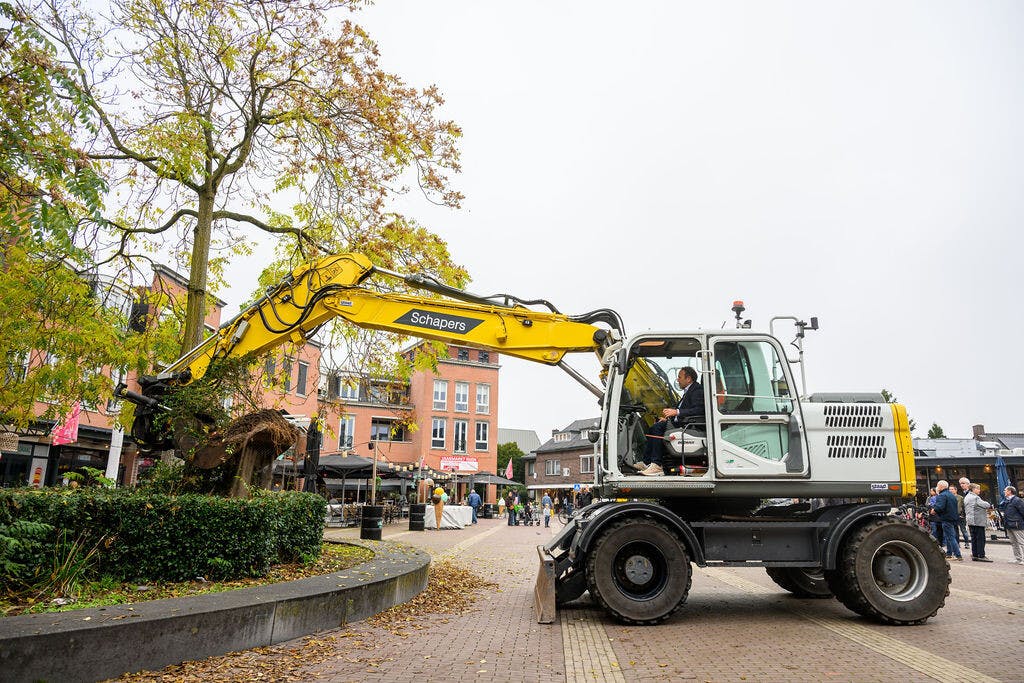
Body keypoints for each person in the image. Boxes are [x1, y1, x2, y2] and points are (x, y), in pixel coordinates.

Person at [637, 366, 705, 477]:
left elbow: (699, 409)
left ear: (688, 379)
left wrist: (676, 412)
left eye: (679, 377)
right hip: (681, 423)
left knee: (657, 428)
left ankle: (657, 465)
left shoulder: (697, 390)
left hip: (689, 425)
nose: (677, 380)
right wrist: (668, 418)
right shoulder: (689, 391)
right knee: (655, 426)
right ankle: (647, 462)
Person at [930, 480, 962, 560]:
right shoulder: (951, 495)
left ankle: (958, 555)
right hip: (953, 518)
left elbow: (940, 507)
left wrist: (934, 510)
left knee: (951, 537)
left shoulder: (942, 495)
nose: (937, 487)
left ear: (941, 486)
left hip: (946, 518)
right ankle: (949, 553)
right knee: (949, 537)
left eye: (938, 485)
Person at [963, 483, 992, 562]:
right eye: (978, 489)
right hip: (978, 521)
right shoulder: (975, 498)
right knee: (981, 539)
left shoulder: (967, 497)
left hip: (970, 521)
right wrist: (988, 503)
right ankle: (981, 555)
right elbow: (986, 505)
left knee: (974, 538)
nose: (979, 490)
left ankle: (975, 555)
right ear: (973, 489)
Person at [1003, 486, 1024, 564]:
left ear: (1009, 491)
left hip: (1017, 524)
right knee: (1014, 542)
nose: (1004, 492)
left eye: (1005, 490)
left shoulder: (1017, 500)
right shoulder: (1007, 501)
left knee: (1022, 542)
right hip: (1009, 524)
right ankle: (1018, 558)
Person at [954, 481, 970, 548]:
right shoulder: (949, 497)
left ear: (956, 490)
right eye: (950, 489)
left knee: (963, 530)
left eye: (952, 489)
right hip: (953, 516)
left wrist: (963, 514)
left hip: (960, 515)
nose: (951, 490)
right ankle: (957, 543)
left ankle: (967, 543)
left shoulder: (960, 497)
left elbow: (964, 506)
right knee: (955, 531)